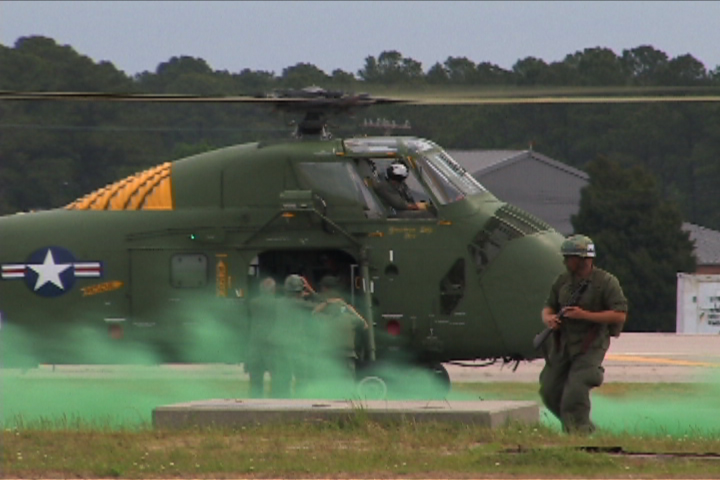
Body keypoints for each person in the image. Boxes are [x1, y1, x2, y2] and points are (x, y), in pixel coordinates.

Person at [539, 234, 628, 434]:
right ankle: (580, 427)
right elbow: (548, 307)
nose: (565, 261)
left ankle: (579, 434)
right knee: (550, 391)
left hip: (591, 345)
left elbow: (619, 315)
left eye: (569, 257)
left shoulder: (606, 282)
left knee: (575, 390)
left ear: (582, 259)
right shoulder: (562, 281)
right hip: (563, 345)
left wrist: (584, 315)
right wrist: (550, 319)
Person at [312, 275, 369, 387]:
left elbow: (314, 314)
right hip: (346, 355)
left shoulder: (326, 320)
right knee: (347, 385)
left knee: (329, 383)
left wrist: (327, 303)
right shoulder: (350, 319)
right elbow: (365, 325)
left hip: (331, 355)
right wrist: (350, 309)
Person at [279, 273, 321, 395]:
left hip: (280, 345)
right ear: (299, 292)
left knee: (282, 380)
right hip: (297, 346)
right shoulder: (301, 305)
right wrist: (311, 291)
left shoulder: (279, 303)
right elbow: (325, 305)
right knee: (302, 378)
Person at [245, 277, 279, 398]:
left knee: (255, 381)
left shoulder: (253, 303)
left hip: (255, 344)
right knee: (276, 378)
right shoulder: (277, 304)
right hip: (273, 345)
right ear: (274, 290)